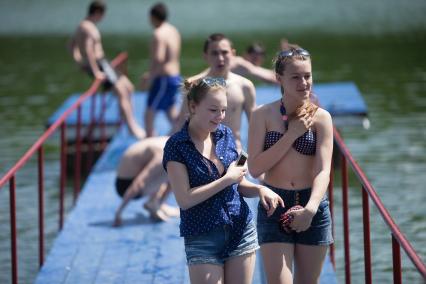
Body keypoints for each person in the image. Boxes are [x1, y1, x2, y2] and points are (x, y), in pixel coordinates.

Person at [163, 77, 284, 284]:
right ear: (193, 106)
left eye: (224, 110)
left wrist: (259, 190)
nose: (220, 117)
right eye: (213, 110)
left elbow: (237, 184)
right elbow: (184, 199)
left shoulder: (225, 135)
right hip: (202, 236)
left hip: (240, 229)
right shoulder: (176, 146)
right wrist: (226, 179)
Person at [247, 45, 334, 283]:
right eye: (295, 77)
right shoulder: (262, 115)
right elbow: (255, 168)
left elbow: (323, 170)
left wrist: (311, 208)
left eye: (307, 76)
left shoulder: (322, 118)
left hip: (312, 205)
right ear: (279, 79)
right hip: (275, 205)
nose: (304, 83)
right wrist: (291, 134)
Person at [68, 0, 145, 139]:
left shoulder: (81, 25)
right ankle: (131, 127)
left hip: (103, 62)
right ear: (98, 13)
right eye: (102, 15)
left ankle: (129, 121)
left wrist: (78, 61)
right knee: (121, 92)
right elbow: (89, 50)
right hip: (99, 64)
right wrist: (96, 71)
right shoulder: (89, 28)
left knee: (128, 87)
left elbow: (71, 45)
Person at [176, 33, 257, 150]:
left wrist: (249, 157)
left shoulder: (245, 86)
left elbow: (256, 127)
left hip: (234, 152)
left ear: (233, 54)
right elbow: (181, 124)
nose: (220, 58)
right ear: (205, 56)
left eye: (224, 52)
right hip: (201, 153)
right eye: (214, 53)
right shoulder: (194, 85)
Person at [113, 136, 179, 226]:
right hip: (125, 187)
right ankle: (154, 203)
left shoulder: (170, 141)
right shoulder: (164, 154)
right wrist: (119, 213)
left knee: (174, 167)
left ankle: (157, 203)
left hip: (124, 177)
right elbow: (139, 182)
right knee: (175, 170)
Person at [140, 2, 182, 137]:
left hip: (164, 78)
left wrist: (149, 78)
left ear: (152, 17)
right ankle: (185, 136)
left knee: (149, 113)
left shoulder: (158, 34)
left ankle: (149, 140)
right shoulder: (173, 30)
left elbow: (158, 59)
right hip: (175, 76)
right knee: (171, 111)